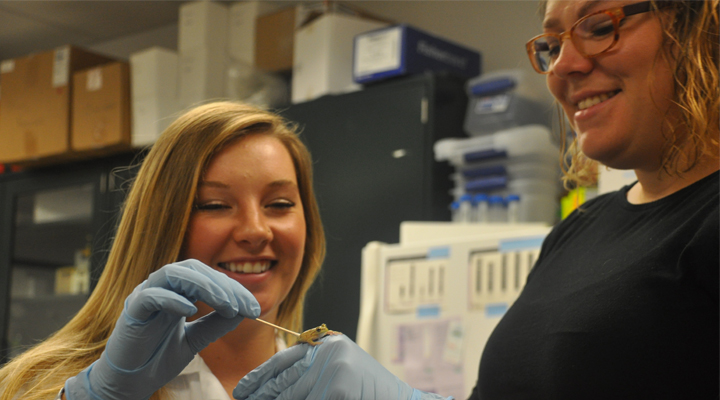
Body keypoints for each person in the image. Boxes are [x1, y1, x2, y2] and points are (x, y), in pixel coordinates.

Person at [233, 1, 719, 399]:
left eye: (598, 26)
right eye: (552, 45)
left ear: (703, 27)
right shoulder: (583, 226)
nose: (564, 66)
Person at [0, 101, 326, 400]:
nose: (256, 230)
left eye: (279, 204)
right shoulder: (38, 385)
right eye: (214, 205)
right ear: (162, 225)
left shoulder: (331, 385)